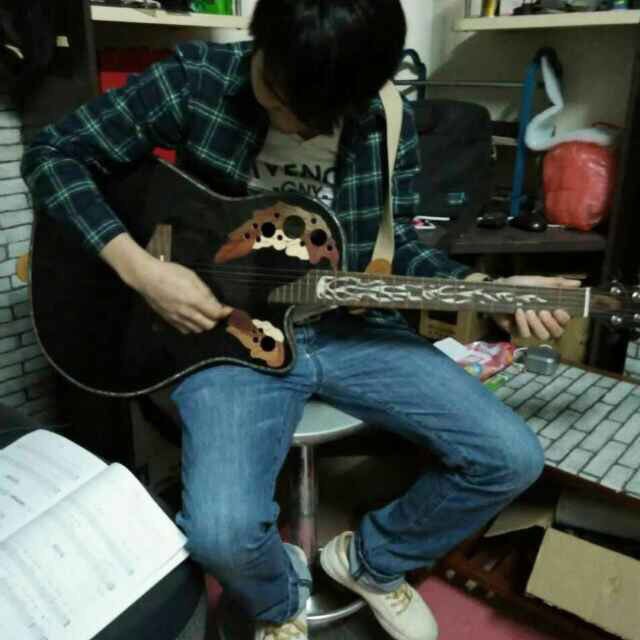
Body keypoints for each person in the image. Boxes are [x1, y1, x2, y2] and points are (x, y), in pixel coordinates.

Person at [22, 1, 579, 639]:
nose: (292, 122)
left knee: (510, 457)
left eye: (318, 116)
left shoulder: (385, 116)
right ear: (260, 43)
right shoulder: (198, 80)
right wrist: (141, 270)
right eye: (279, 96)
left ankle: (370, 561)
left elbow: (398, 248)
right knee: (221, 535)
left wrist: (489, 292)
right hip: (228, 336)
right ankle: (278, 600)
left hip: (346, 328)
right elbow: (54, 153)